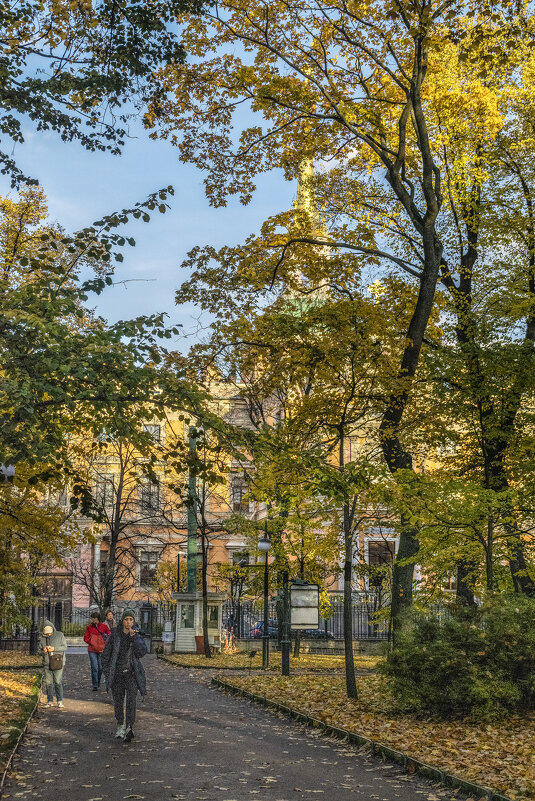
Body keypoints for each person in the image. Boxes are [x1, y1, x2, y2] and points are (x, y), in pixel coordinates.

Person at [102, 608, 148, 742]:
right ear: (122, 621)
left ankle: (129, 726)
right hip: (117, 674)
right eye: (126, 619)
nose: (128, 622)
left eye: (131, 620)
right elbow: (106, 655)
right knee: (118, 701)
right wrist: (107, 671)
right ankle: (120, 725)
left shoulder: (136, 635)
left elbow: (141, 653)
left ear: (134, 621)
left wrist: (134, 639)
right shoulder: (115, 635)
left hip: (132, 674)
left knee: (131, 701)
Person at [38, 620, 67, 709]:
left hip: (58, 662)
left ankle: (59, 700)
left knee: (58, 682)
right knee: (48, 683)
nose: (48, 635)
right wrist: (44, 651)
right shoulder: (43, 638)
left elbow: (64, 647)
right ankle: (49, 701)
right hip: (47, 663)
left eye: (49, 633)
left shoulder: (60, 635)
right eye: (47, 634)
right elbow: (39, 650)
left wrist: (54, 648)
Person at [83, 611, 110, 691]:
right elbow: (85, 638)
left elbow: (109, 635)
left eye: (94, 618)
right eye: (92, 618)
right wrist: (91, 641)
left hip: (101, 649)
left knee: (100, 668)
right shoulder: (89, 627)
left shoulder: (104, 627)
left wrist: (104, 642)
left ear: (97, 618)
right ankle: (95, 685)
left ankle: (97, 682)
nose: (93, 620)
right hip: (92, 650)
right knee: (94, 667)